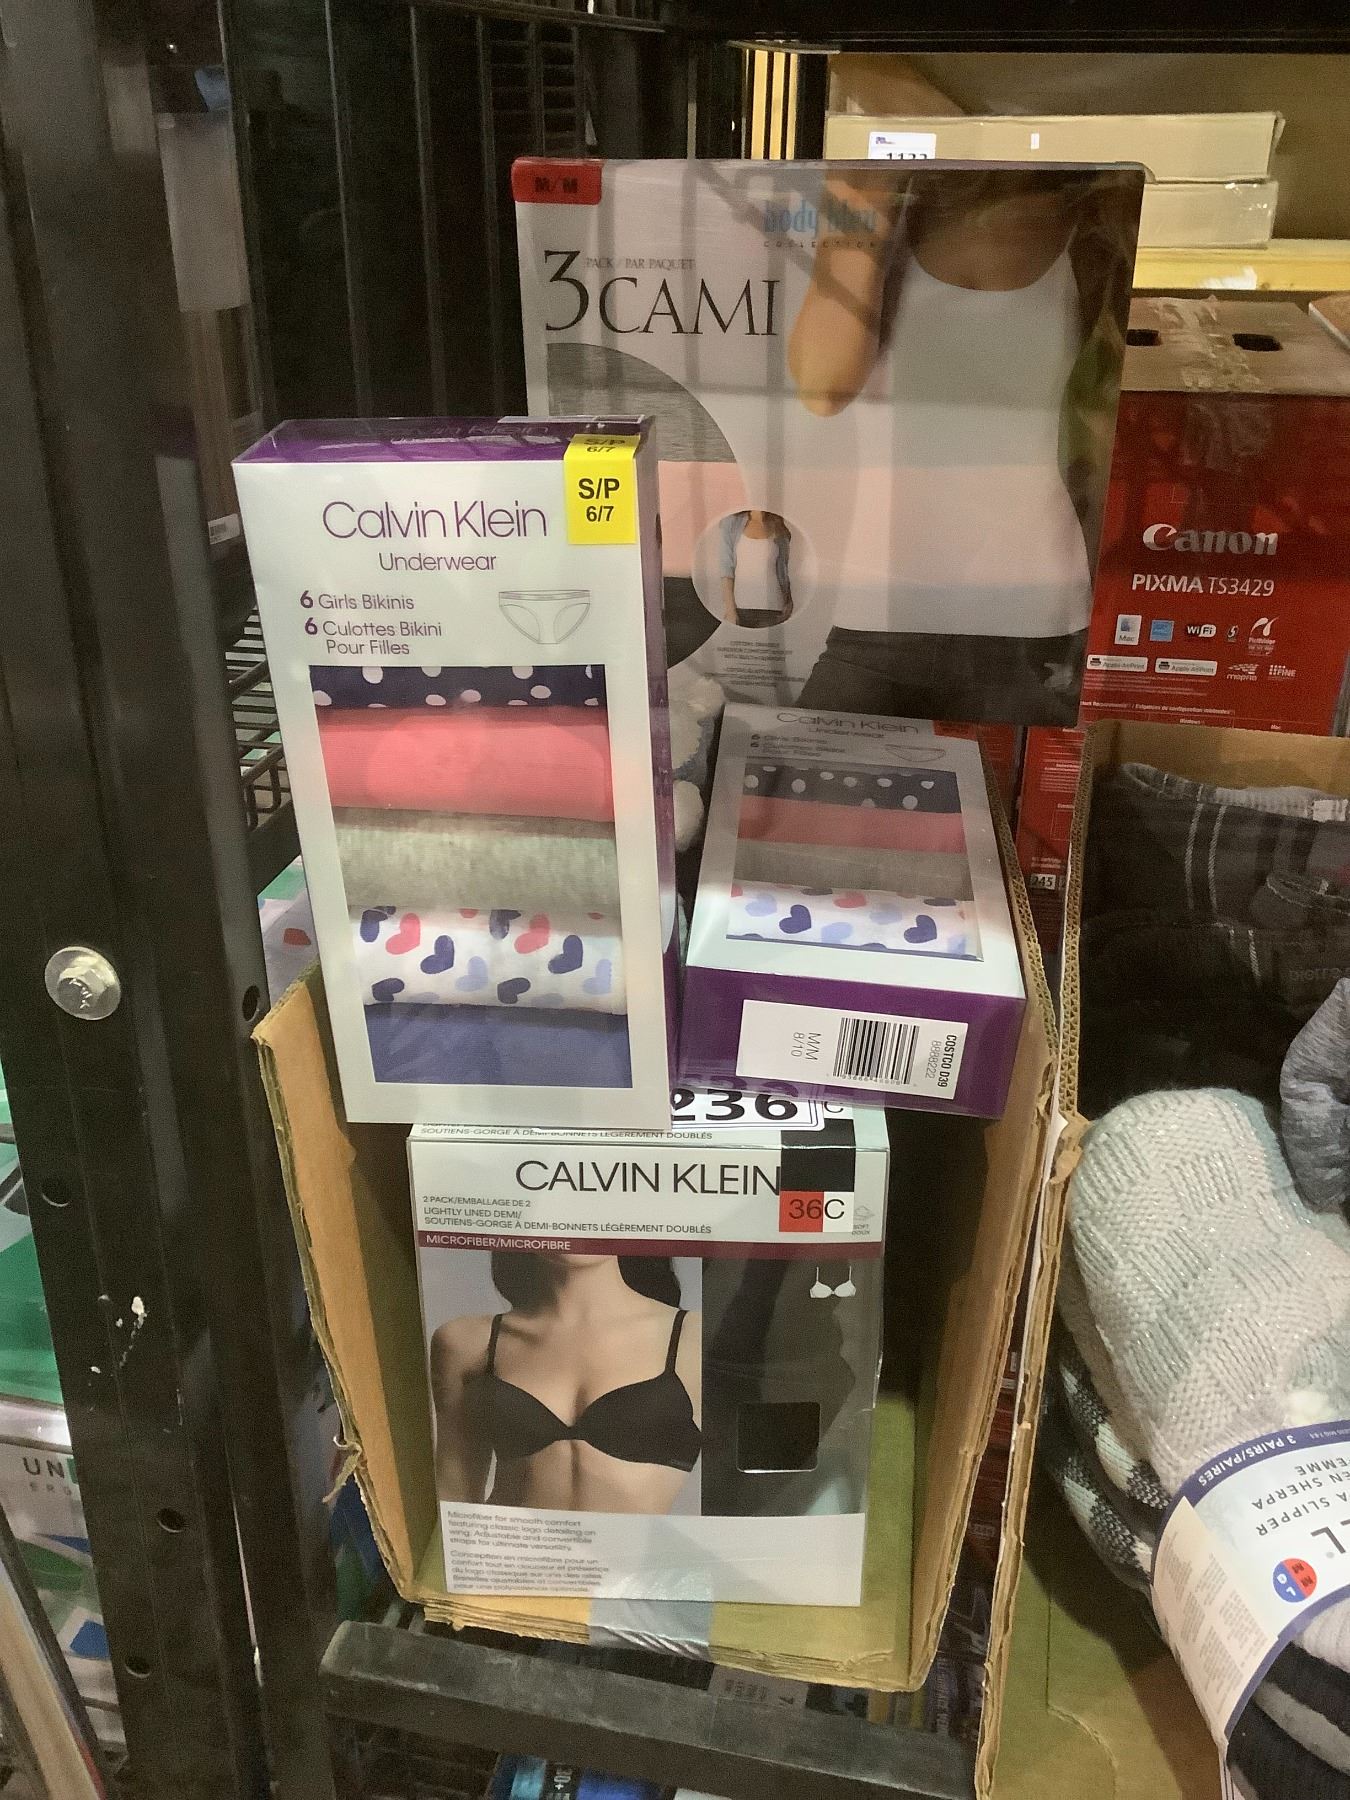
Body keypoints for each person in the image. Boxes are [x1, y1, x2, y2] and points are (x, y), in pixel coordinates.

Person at [786, 167, 1134, 725]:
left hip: (1031, 615)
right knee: (792, 775)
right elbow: (822, 389)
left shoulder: (1094, 223)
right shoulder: (880, 205)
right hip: (881, 611)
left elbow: (1107, 439)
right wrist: (863, 207)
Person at [430, 1251, 701, 1514]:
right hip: (510, 1545)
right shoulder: (466, 1342)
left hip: (634, 1547)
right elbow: (454, 1494)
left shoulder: (696, 1336)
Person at [717, 510, 794, 629]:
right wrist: (730, 609)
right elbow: (726, 569)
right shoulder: (731, 523)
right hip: (741, 607)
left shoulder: (778, 526)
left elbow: (783, 570)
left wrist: (788, 602)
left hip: (773, 608)